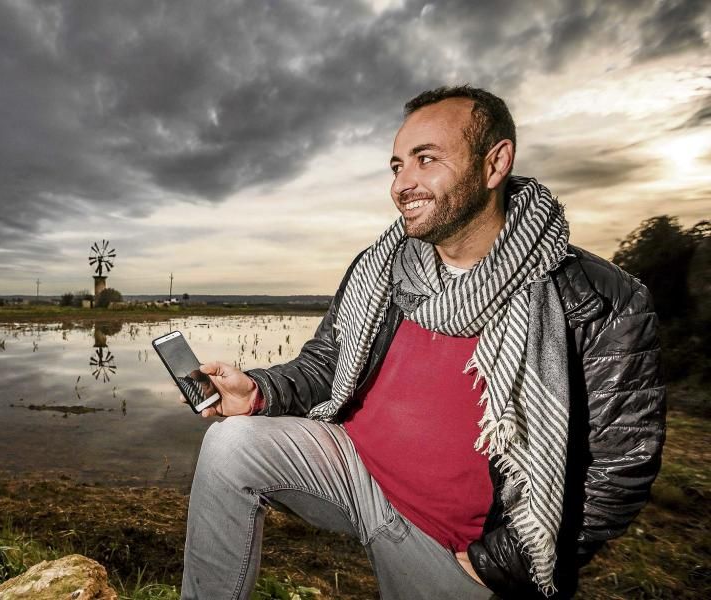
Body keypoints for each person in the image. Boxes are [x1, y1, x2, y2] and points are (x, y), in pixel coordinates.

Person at [180, 86, 665, 600]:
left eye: (425, 160)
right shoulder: (382, 267)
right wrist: (256, 392)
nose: (402, 185)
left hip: (452, 545)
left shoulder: (599, 297)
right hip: (352, 473)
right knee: (232, 443)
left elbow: (620, 464)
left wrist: (502, 563)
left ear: (494, 164)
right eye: (396, 166)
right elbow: (327, 362)